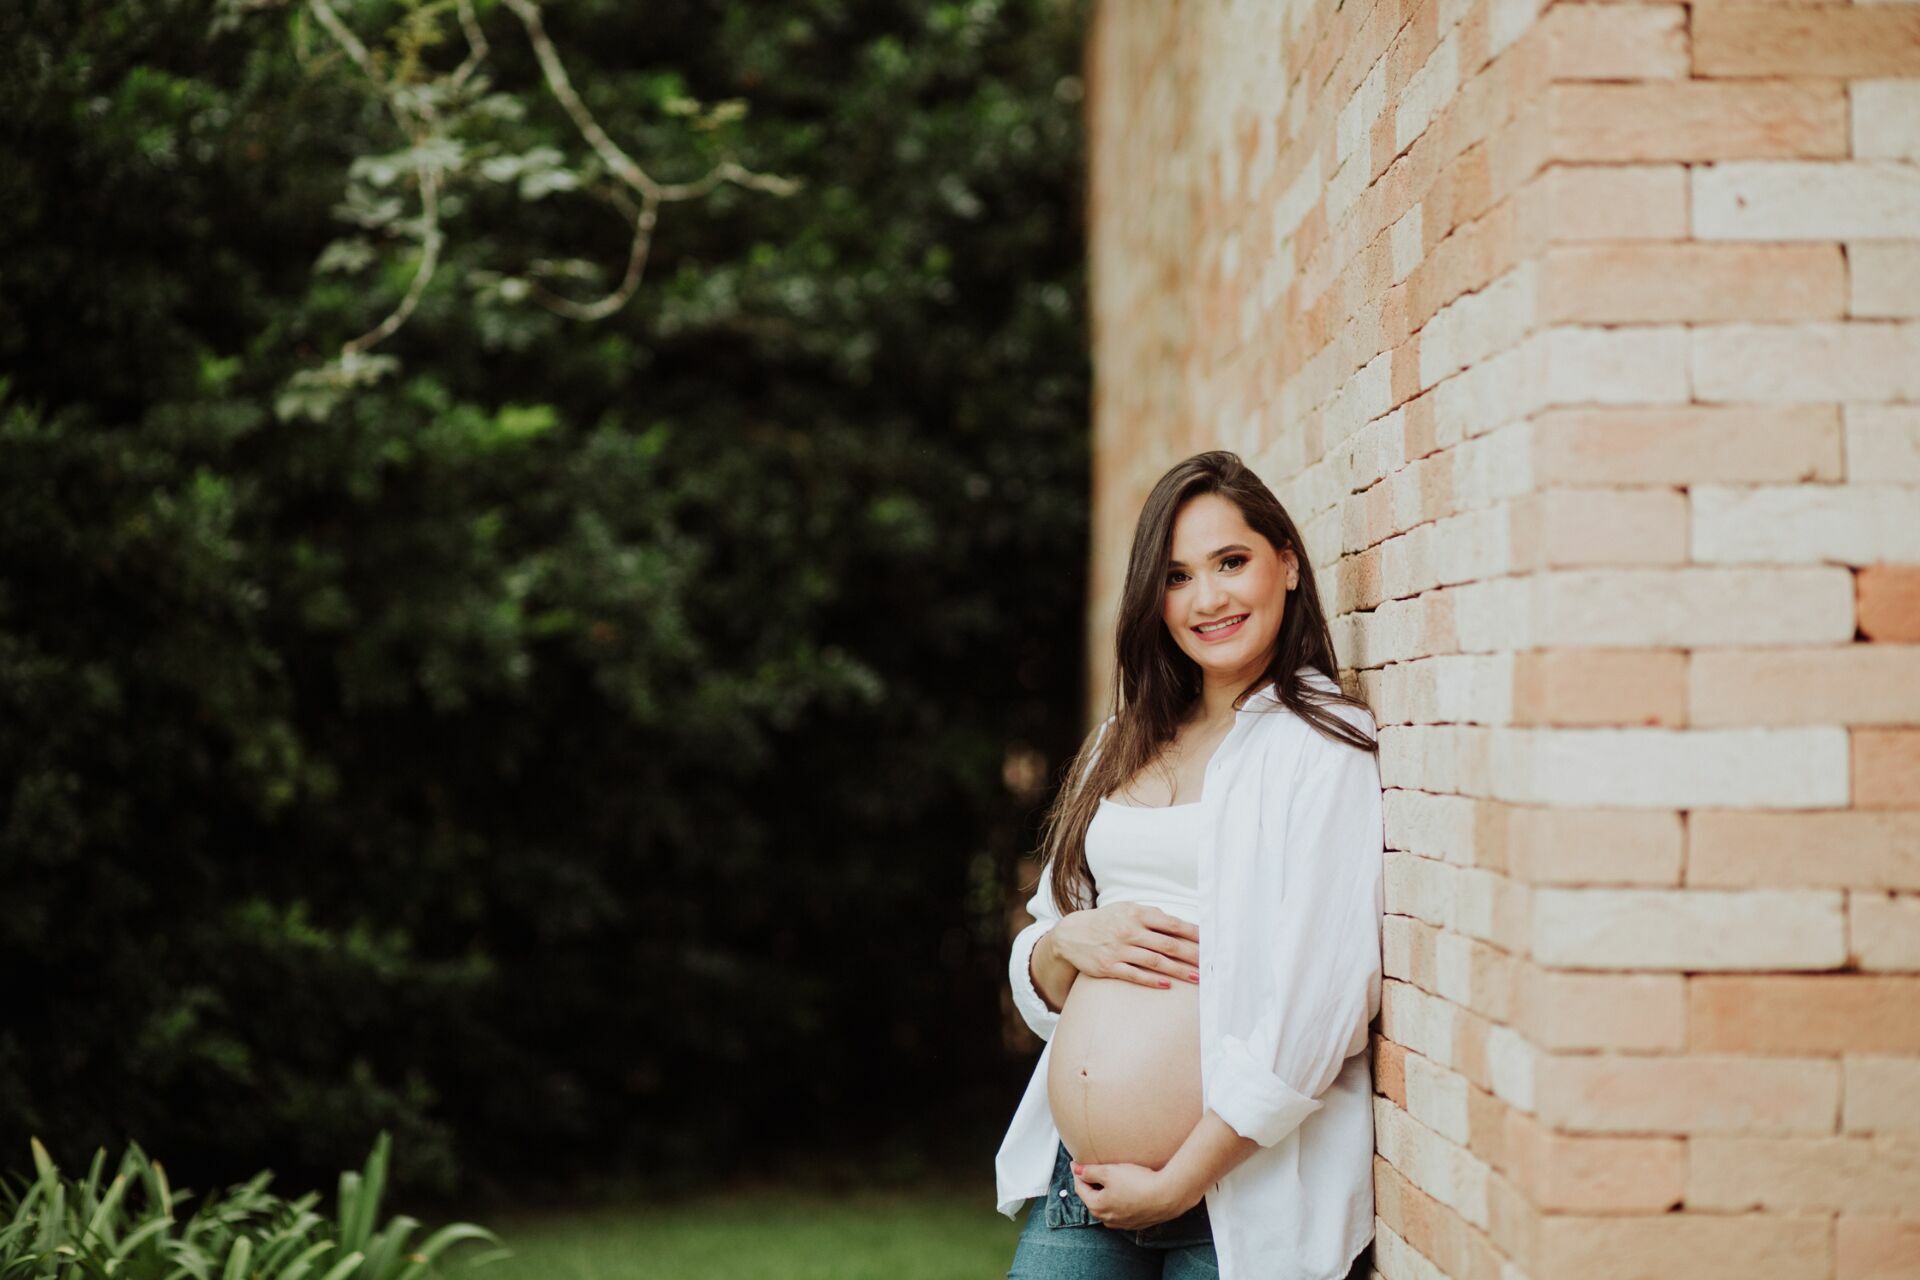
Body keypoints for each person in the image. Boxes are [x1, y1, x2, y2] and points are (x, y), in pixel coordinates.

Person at [996, 450, 1384, 1280]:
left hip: (1238, 1189)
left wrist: (1177, 1182)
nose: (1207, 599)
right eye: (1176, 577)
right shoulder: (1123, 741)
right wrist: (1070, 946)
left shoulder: (1319, 746)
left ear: (1285, 563)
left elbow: (1322, 1003)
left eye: (1231, 562)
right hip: (1086, 1185)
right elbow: (1047, 940)